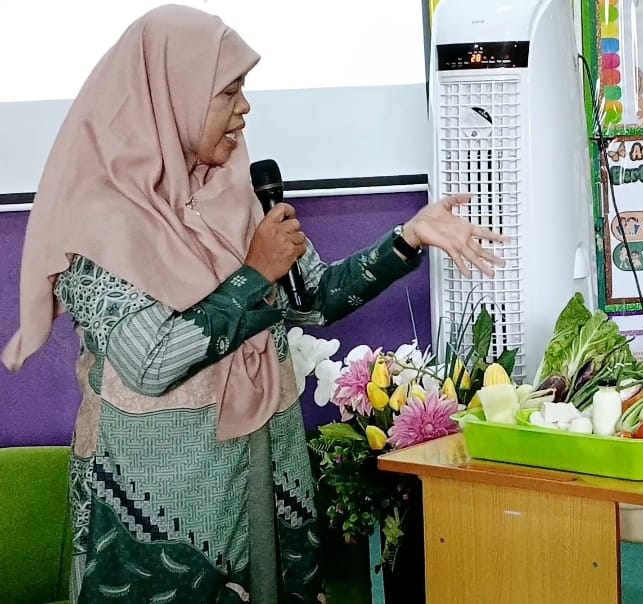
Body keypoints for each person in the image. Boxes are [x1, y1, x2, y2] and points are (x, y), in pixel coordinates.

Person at [1, 6, 504, 603]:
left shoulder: (234, 194)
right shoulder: (96, 221)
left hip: (263, 471)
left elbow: (309, 300)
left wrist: (407, 239)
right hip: (159, 502)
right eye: (229, 91)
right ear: (172, 95)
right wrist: (254, 273)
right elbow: (150, 363)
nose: (246, 108)